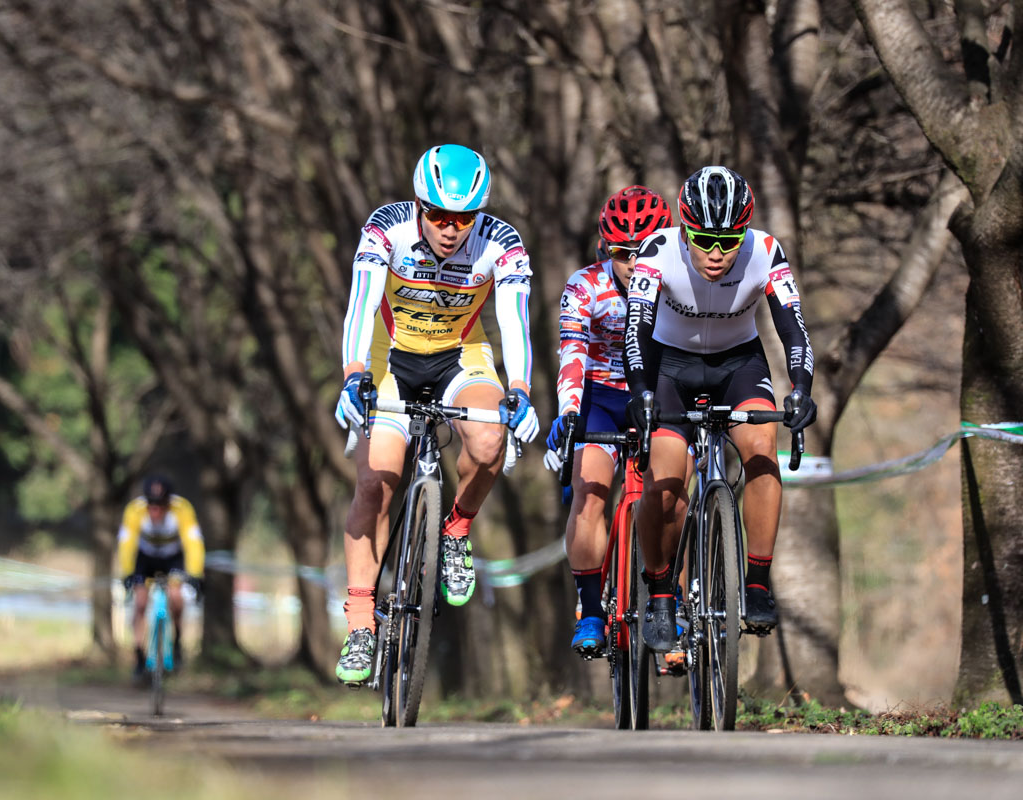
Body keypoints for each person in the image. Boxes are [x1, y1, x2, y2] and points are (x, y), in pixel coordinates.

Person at [333, 144, 539, 684]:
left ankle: (457, 529)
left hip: (460, 356)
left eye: (463, 218)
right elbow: (360, 303)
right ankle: (359, 622)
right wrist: (354, 373)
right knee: (378, 481)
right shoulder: (388, 229)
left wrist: (519, 387)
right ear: (420, 206)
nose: (451, 230)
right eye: (440, 216)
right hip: (388, 356)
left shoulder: (501, 243)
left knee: (491, 440)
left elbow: (514, 320)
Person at [623, 165, 817, 652]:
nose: (715, 253)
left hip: (738, 364)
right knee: (664, 486)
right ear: (684, 227)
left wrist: (801, 388)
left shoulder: (766, 251)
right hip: (669, 366)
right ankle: (662, 589)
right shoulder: (657, 252)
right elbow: (636, 332)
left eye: (728, 240)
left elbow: (793, 330)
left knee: (760, 449)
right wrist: (642, 391)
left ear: (744, 232)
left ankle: (755, 582)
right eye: (704, 238)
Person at [542, 186, 673, 657]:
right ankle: (592, 609)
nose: (634, 262)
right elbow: (573, 351)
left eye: (646, 250)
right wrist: (570, 411)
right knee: (590, 488)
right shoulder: (585, 287)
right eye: (622, 252)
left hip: (658, 394)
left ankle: (672, 596)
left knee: (675, 490)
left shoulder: (676, 285)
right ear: (605, 249)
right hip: (599, 394)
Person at [117, 474, 205, 680]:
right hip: (145, 559)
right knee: (139, 603)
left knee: (176, 596)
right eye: (151, 505)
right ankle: (138, 655)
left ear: (168, 502)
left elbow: (193, 543)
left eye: (161, 505)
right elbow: (126, 543)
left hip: (172, 558)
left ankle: (177, 643)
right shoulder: (135, 510)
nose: (155, 510)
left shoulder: (182, 509)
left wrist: (195, 574)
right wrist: (127, 572)